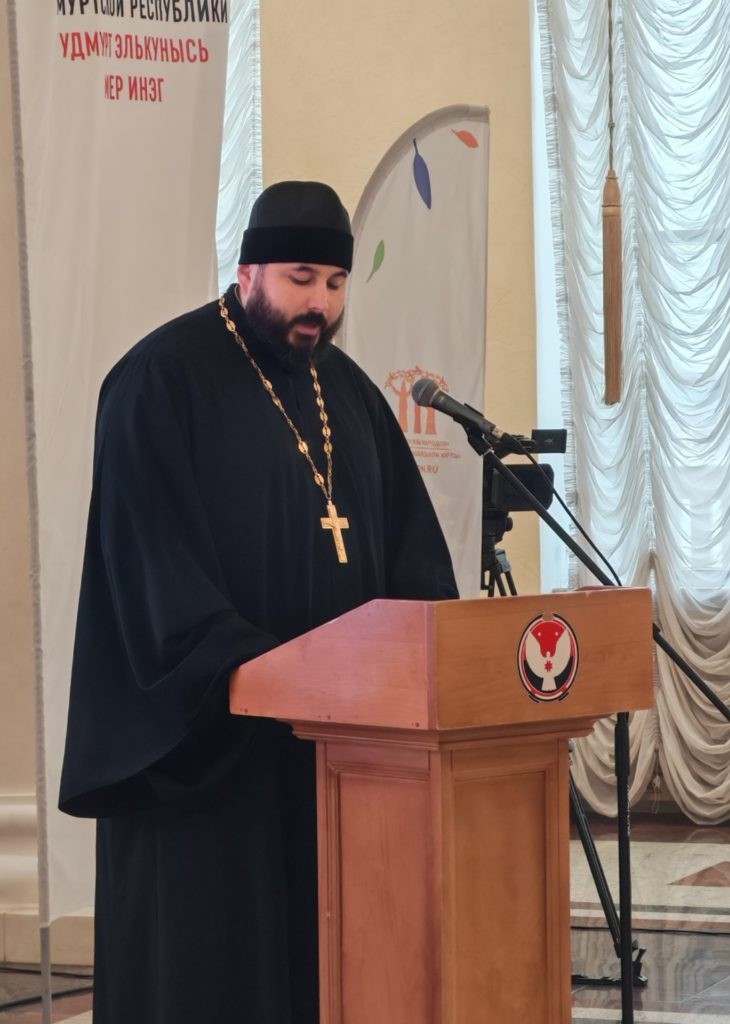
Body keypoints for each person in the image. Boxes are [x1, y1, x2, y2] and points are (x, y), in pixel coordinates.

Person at [58, 181, 458, 1024]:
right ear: (247, 274)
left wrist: (427, 648)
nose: (321, 305)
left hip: (333, 753)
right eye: (301, 279)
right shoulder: (160, 380)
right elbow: (150, 566)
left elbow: (412, 554)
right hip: (210, 753)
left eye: (336, 284)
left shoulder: (350, 395)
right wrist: (261, 670)